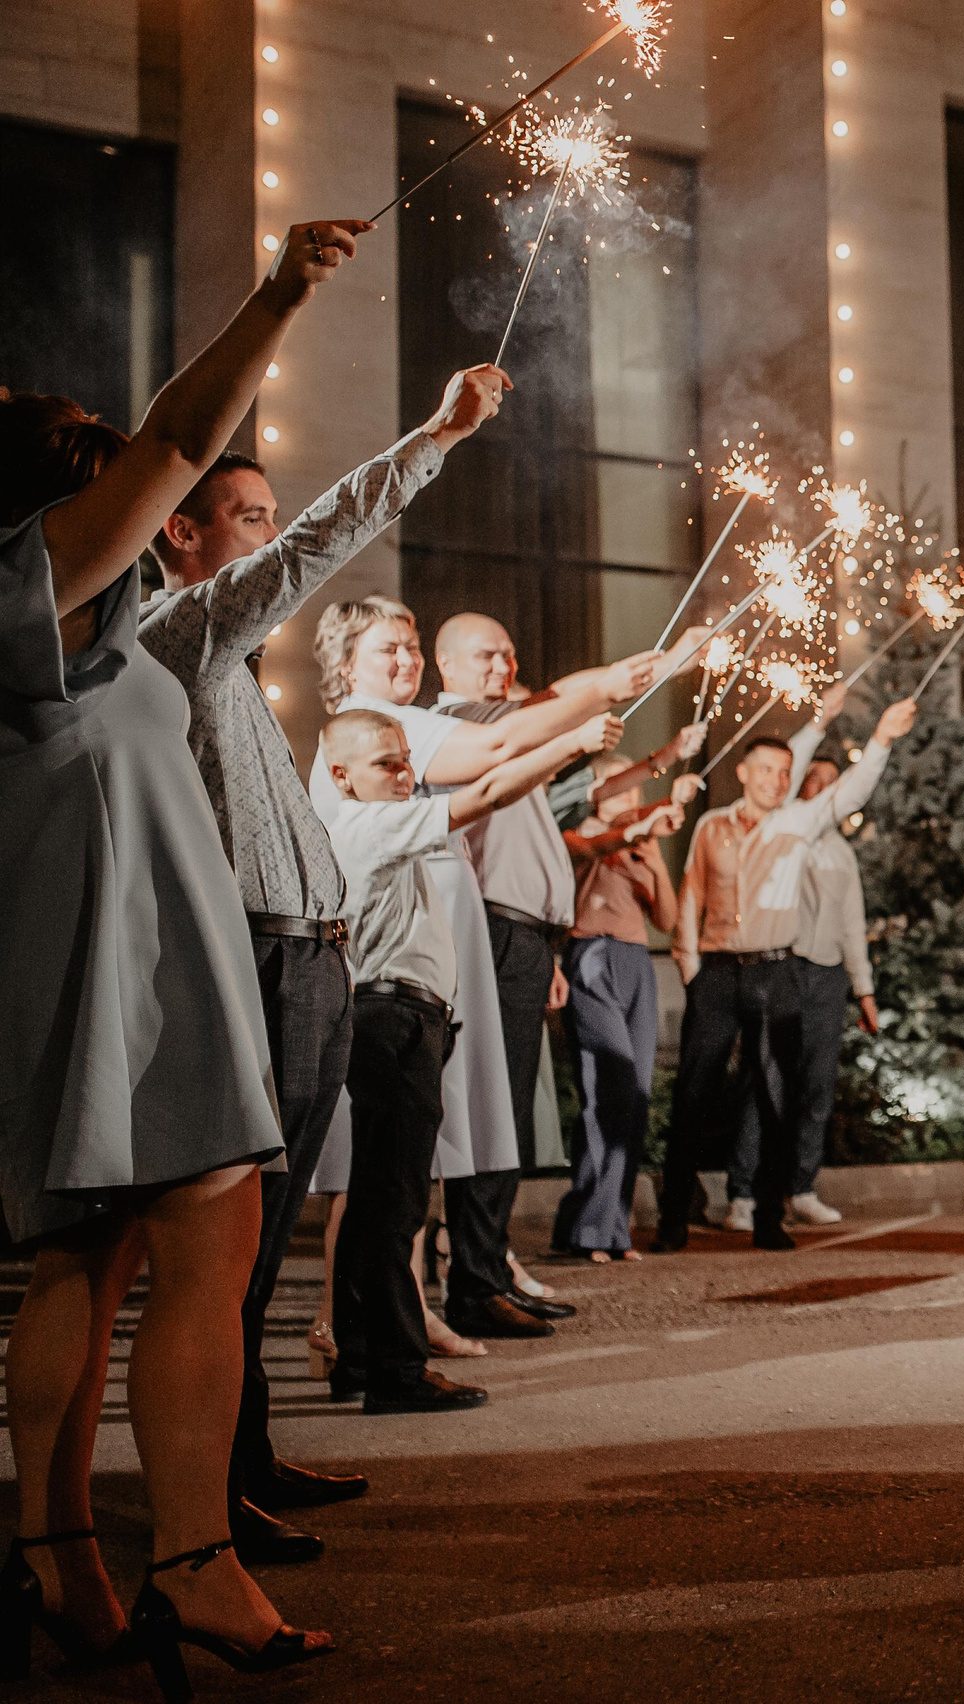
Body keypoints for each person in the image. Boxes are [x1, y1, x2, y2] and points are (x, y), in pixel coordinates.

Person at [1, 215, 358, 1688]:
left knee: (85, 1254)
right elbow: (177, 435)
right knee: (205, 1242)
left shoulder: (96, 611)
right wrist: (278, 296)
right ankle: (194, 1563)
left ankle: (63, 1554)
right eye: (87, 448)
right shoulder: (31, 577)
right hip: (117, 952)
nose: (122, 465)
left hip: (108, 944)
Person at [139, 363, 508, 1567]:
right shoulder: (180, 631)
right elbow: (315, 545)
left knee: (263, 1231)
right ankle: (214, 1498)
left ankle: (244, 1466)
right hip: (257, 963)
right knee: (231, 1246)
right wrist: (436, 438)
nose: (268, 539)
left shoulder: (228, 668)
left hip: (311, 963)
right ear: (181, 534)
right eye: (246, 518)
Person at [306, 596, 666, 1344]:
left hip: (430, 969)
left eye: (409, 645)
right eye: (388, 650)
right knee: (386, 1169)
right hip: (392, 984)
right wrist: (587, 710)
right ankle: (364, 1328)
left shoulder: (397, 734)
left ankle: (399, 1316)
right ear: (346, 666)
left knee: (411, 1162)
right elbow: (492, 772)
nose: (403, 661)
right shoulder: (371, 740)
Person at [320, 706, 617, 1421]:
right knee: (395, 1204)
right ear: (340, 776)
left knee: (375, 1202)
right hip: (393, 1019)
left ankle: (360, 1355)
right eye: (386, 763)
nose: (405, 773)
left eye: (405, 759)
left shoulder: (372, 821)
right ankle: (395, 1368)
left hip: (398, 1016)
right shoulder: (365, 824)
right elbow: (484, 794)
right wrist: (569, 742)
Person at [661, 696, 917, 1252]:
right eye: (768, 771)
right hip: (718, 975)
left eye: (785, 771)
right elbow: (691, 897)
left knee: (779, 1096)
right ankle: (672, 1220)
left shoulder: (800, 824)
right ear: (743, 773)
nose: (778, 780)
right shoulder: (711, 826)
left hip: (776, 973)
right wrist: (690, 968)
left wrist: (882, 738)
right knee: (693, 1096)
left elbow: (850, 791)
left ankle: (769, 1220)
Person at [731, 690, 892, 1228]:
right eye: (813, 781)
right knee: (766, 1081)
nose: (823, 789)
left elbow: (852, 923)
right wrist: (819, 722)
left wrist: (863, 989)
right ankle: (745, 1193)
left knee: (816, 1084)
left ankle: (800, 1185)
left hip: (826, 976)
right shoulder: (781, 832)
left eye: (831, 783)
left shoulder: (840, 853)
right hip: (780, 966)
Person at [553, 759, 697, 1260]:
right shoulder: (581, 832)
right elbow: (599, 844)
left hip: (636, 961)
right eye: (622, 789)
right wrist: (648, 820)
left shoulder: (642, 840)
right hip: (591, 955)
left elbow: (667, 918)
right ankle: (589, 1227)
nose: (631, 798)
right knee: (608, 1088)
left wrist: (654, 856)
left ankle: (609, 1227)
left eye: (637, 790)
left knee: (634, 1095)